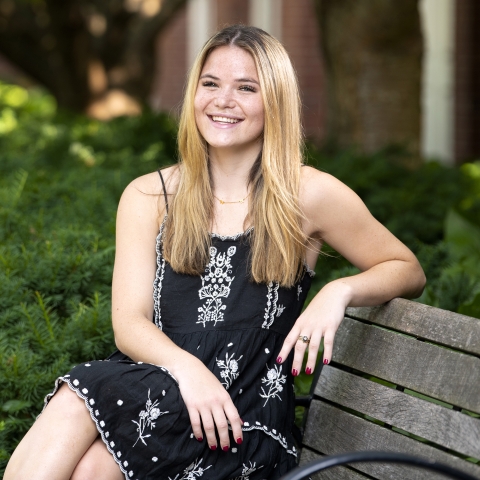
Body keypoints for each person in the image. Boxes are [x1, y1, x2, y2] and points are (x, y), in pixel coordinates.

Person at [5, 25, 426, 480]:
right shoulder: (150, 195)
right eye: (210, 84)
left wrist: (338, 292)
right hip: (166, 383)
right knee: (90, 464)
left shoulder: (308, 194)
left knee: (89, 447)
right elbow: (129, 323)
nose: (223, 100)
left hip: (243, 417)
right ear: (193, 94)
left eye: (246, 87)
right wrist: (190, 373)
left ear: (275, 102)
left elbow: (407, 268)